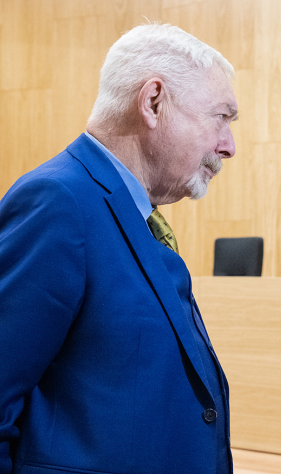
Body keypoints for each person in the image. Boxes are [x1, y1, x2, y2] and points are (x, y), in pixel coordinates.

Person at [0, 24, 239, 474]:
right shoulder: (58, 203)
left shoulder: (134, 212)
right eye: (221, 118)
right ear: (153, 102)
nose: (228, 146)